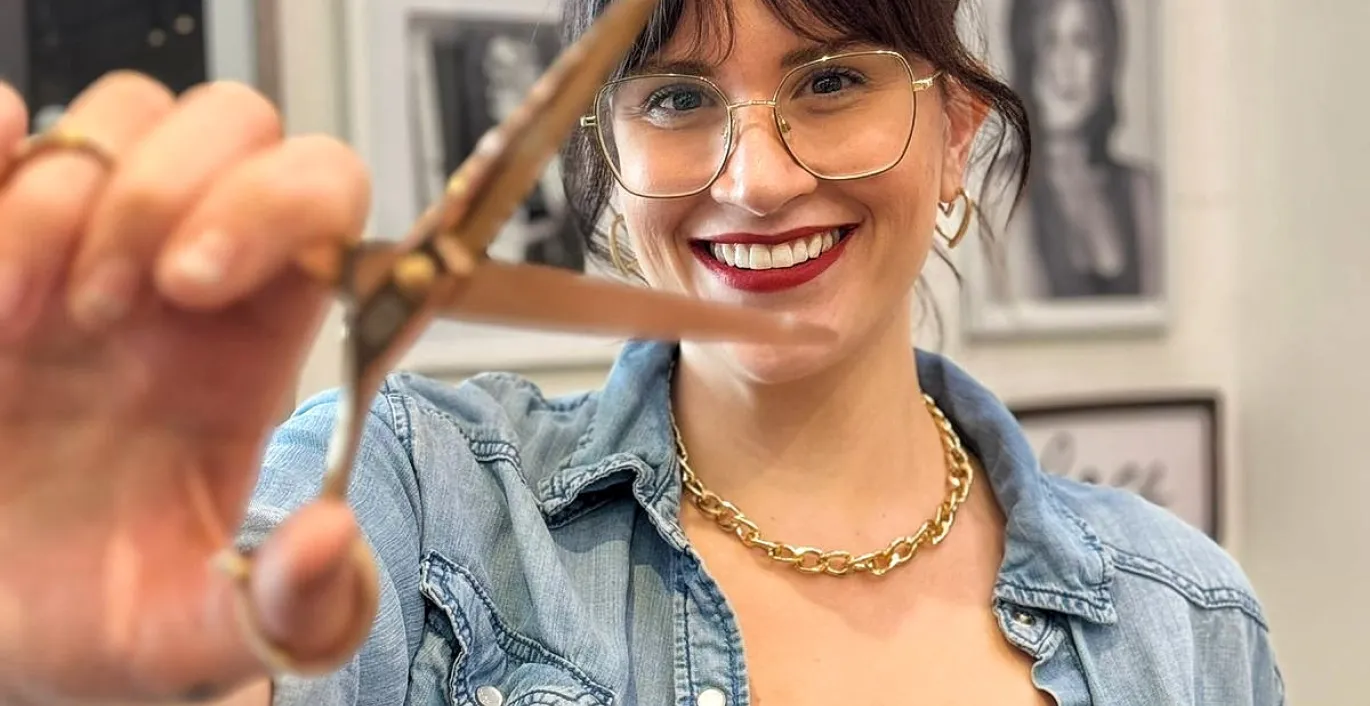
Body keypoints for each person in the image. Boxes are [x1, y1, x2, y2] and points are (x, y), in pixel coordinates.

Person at [0, 0, 1281, 704]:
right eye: (675, 97)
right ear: (606, 170)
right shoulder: (419, 497)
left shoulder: (1181, 618)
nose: (758, 177)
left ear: (952, 133)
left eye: (830, 79)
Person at [1002, 0, 1160, 300]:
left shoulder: (1142, 192)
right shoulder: (1001, 188)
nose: (1065, 67)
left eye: (1083, 41)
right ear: (1027, 52)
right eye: (1049, 41)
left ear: (1108, 58)